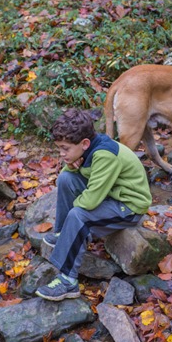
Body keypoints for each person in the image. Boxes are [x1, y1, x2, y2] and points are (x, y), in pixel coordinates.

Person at [35, 109, 152, 301]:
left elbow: (90, 201)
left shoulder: (105, 155)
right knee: (65, 178)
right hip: (111, 194)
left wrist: (76, 214)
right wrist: (72, 164)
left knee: (79, 215)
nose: (61, 153)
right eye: (59, 148)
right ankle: (62, 232)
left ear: (84, 144)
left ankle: (68, 281)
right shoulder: (88, 149)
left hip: (129, 205)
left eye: (65, 148)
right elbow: (72, 172)